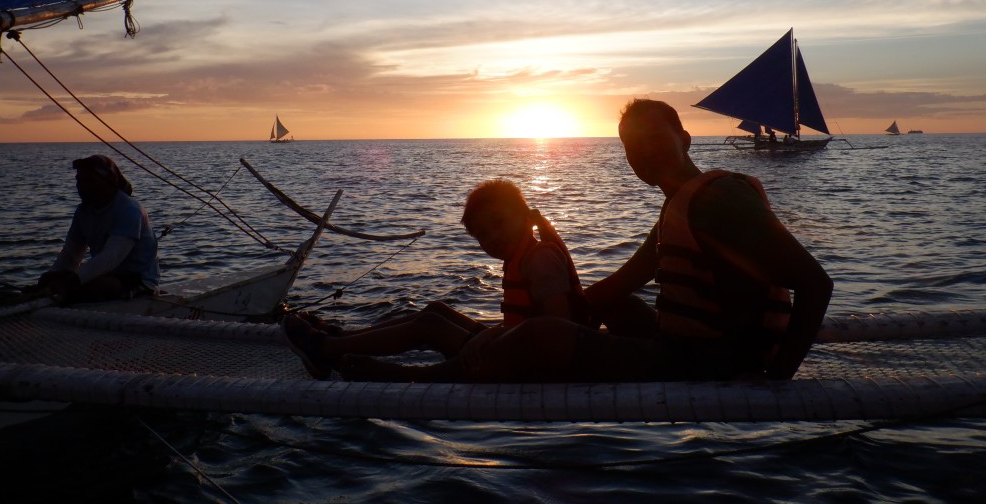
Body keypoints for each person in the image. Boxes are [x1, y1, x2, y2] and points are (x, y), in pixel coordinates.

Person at [337, 99, 833, 383]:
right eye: (631, 146)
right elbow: (615, 290)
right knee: (596, 315)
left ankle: (413, 377)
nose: (643, 152)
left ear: (685, 137)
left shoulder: (719, 199)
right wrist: (503, 330)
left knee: (545, 336)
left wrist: (777, 381)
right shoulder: (679, 208)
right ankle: (476, 346)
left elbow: (815, 284)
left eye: (654, 138)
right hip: (686, 347)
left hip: (717, 364)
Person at [282, 178, 592, 380]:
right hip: (519, 349)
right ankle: (344, 338)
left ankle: (326, 350)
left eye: (499, 223)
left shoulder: (540, 259)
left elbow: (557, 325)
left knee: (430, 327)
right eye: (482, 234)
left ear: (525, 218)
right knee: (435, 310)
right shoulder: (524, 255)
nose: (493, 237)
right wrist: (495, 334)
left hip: (535, 364)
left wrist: (489, 336)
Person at [37, 154, 160, 303]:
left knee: (91, 286)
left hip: (137, 280)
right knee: (48, 278)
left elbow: (111, 257)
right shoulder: (83, 211)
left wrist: (72, 281)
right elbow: (71, 254)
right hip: (103, 275)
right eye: (79, 181)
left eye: (89, 181)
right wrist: (53, 278)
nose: (81, 186)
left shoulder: (129, 210)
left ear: (108, 182)